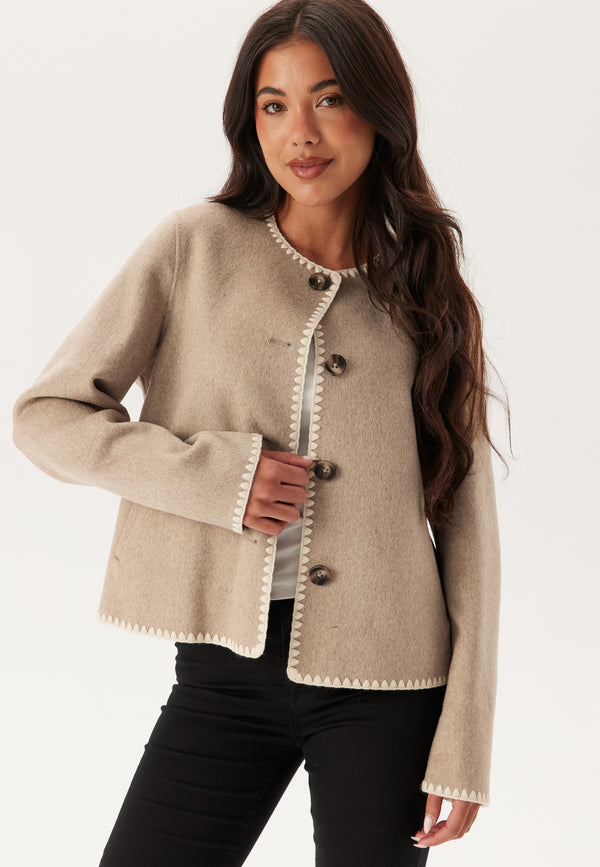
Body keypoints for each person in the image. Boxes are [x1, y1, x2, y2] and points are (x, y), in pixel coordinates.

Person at [11, 0, 510, 864]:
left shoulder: (427, 285)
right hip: (222, 675)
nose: (300, 133)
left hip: (389, 683)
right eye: (274, 105)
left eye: (329, 98)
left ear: (380, 111)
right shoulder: (193, 246)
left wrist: (464, 739)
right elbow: (46, 416)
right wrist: (216, 477)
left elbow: (468, 523)